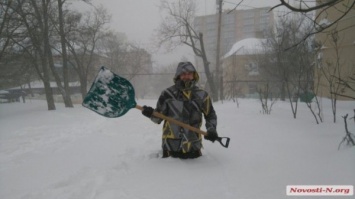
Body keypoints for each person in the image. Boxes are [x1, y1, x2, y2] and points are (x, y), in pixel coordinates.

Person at [141, 62, 219, 159]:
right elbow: (158, 118)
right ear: (178, 75)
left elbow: (210, 115)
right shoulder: (168, 94)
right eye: (183, 74)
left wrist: (211, 129)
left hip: (193, 148)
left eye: (189, 73)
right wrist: (150, 113)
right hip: (170, 149)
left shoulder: (202, 95)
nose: (187, 76)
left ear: (194, 75)